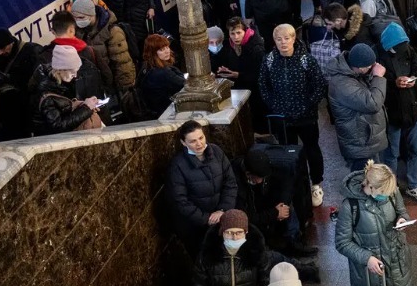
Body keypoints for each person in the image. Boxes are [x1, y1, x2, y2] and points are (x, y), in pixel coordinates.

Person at [334, 161, 417, 286]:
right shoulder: (350, 206)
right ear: (370, 187)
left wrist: (402, 220)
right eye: (382, 193)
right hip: (370, 273)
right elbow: (342, 242)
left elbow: (402, 211)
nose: (386, 196)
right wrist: (367, 258)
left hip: (395, 261)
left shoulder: (391, 191)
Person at [256, 24, 328, 203]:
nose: (283, 43)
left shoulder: (306, 60)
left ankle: (316, 184)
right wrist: (274, 104)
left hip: (306, 117)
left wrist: (308, 105)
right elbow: (263, 85)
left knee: (312, 149)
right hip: (283, 118)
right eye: (279, 39)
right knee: (289, 151)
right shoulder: (269, 59)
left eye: (287, 38)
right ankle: (296, 183)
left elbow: (319, 85)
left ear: (294, 39)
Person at [166, 119, 239, 249]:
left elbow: (230, 183)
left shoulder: (216, 151)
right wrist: (207, 219)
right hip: (195, 227)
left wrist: (222, 210)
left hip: (222, 217)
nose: (199, 144)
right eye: (193, 141)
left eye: (201, 137)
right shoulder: (178, 165)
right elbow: (181, 201)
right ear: (183, 143)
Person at [377, 22, 417, 202]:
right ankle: (391, 188)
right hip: (392, 112)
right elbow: (377, 81)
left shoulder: (408, 50)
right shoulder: (380, 56)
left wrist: (415, 79)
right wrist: (394, 82)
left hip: (413, 109)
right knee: (391, 153)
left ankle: (413, 185)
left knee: (415, 149)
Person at [325, 43, 389, 165]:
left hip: (366, 140)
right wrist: (378, 77)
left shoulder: (352, 74)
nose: (371, 68)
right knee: (363, 181)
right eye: (370, 66)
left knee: (373, 179)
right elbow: (373, 103)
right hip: (360, 145)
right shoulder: (342, 84)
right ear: (361, 67)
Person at [31, 45, 104, 136]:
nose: (76, 75)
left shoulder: (61, 83)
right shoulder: (46, 94)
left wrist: (82, 104)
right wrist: (86, 108)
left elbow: (63, 108)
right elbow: (58, 126)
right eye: (73, 72)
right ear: (60, 70)